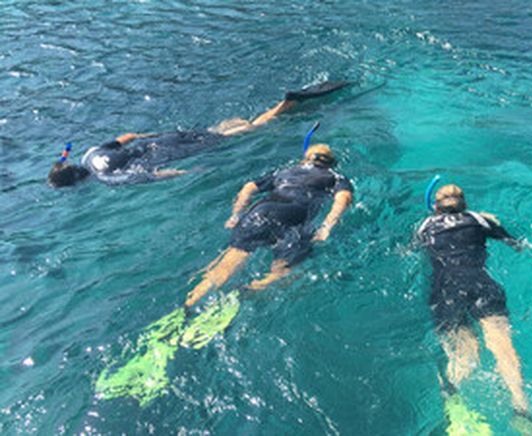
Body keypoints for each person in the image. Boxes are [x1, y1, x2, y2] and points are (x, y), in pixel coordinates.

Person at [47, 81, 350, 187]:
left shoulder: (106, 178)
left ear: (76, 182)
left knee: (248, 132)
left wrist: (188, 173)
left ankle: (286, 105)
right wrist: (157, 134)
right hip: (163, 139)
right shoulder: (91, 153)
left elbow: (153, 174)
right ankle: (280, 107)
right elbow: (128, 136)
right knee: (220, 129)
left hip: (170, 152)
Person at [416, 184, 532, 433]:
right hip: (482, 286)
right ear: (464, 204)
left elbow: (412, 249)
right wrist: (488, 220)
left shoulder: (424, 227)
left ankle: (453, 401)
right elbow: (516, 244)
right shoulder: (479, 220)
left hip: (447, 291)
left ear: (436, 206)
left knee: (465, 356)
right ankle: (521, 409)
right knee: (503, 348)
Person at [183, 143, 353, 307]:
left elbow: (249, 187)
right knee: (285, 269)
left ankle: (191, 302)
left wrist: (236, 214)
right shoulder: (334, 177)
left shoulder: (285, 171)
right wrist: (326, 227)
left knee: (230, 261)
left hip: (260, 211)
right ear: (331, 163)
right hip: (293, 216)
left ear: (305, 160)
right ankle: (249, 290)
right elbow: (344, 198)